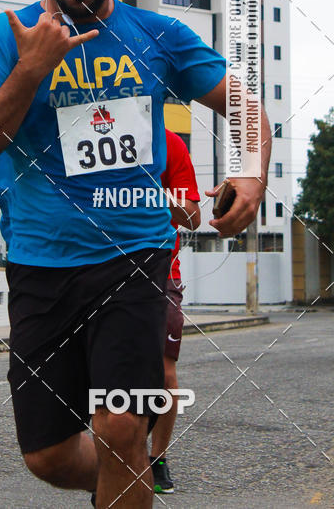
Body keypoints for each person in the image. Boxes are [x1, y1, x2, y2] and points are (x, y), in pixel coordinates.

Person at [0, 0, 271, 508]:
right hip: (41, 264)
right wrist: (32, 69)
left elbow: (245, 105)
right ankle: (128, 483)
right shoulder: (8, 35)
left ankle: (128, 470)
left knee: (120, 424)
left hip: (135, 258)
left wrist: (252, 178)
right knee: (46, 454)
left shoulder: (157, 36)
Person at [149, 129, 201, 495]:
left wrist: (145, 192)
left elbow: (193, 217)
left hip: (160, 270)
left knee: (166, 376)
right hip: (98, 267)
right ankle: (117, 455)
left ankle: (158, 458)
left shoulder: (170, 143)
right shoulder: (89, 132)